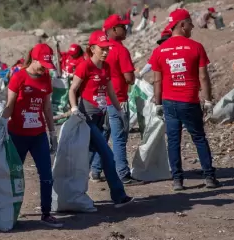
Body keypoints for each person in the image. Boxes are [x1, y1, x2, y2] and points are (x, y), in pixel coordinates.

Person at [149, 8, 220, 191]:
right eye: (189, 22)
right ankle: (210, 177)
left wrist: (158, 104)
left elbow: (157, 80)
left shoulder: (159, 50)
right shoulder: (195, 47)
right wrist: (208, 100)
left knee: (173, 140)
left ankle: (177, 181)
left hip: (169, 102)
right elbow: (203, 77)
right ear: (181, 25)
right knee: (199, 138)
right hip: (189, 101)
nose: (192, 26)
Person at [0, 43, 63, 228]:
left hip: (38, 135)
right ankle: (8, 211)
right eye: (42, 63)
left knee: (46, 174)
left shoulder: (46, 78)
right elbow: (9, 104)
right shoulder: (19, 77)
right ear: (33, 59)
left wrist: (52, 133)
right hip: (17, 134)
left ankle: (46, 213)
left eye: (47, 65)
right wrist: (2, 124)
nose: (44, 68)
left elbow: (47, 108)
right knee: (13, 175)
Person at [68, 30, 134, 208]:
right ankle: (119, 196)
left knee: (87, 157)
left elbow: (110, 91)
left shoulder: (105, 67)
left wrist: (119, 110)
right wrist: (74, 108)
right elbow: (73, 89)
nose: (105, 52)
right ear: (92, 49)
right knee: (107, 154)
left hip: (100, 116)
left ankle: (72, 194)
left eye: (107, 49)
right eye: (102, 49)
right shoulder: (85, 66)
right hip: (87, 118)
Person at [90, 14, 143, 185]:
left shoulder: (100, 50)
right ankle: (123, 174)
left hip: (100, 100)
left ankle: (96, 170)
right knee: (119, 137)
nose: (126, 29)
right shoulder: (120, 50)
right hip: (117, 99)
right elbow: (130, 78)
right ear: (114, 29)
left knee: (103, 135)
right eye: (123, 26)